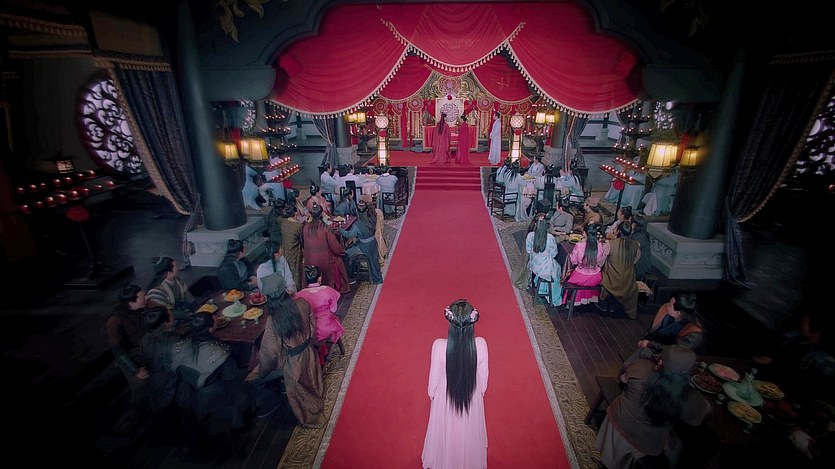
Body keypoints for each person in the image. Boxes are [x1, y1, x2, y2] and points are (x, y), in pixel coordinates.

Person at [595, 345, 711, 469]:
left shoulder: (641, 366)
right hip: (648, 444)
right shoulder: (692, 398)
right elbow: (698, 418)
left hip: (617, 424)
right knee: (677, 446)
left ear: (660, 361)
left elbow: (622, 379)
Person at [421, 299, 488, 469]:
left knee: (446, 429)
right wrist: (480, 391)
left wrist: (431, 393)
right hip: (471, 392)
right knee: (468, 430)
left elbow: (434, 376)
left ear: (450, 324)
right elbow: (483, 376)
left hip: (446, 395)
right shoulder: (481, 345)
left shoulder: (439, 346)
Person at [171, 313, 255, 440]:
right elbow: (231, 378)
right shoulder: (220, 352)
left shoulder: (179, 346)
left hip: (189, 395)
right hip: (217, 398)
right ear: (211, 329)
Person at [247, 293, 325, 428]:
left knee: (252, 379)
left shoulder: (273, 320)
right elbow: (312, 326)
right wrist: (308, 344)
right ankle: (285, 388)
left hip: (292, 363)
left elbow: (270, 354)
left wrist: (262, 372)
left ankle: (271, 403)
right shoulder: (302, 303)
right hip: (309, 352)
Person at [623, 293, 702, 367]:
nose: (667, 305)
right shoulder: (668, 315)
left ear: (677, 312)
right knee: (632, 360)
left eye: (669, 305)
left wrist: (649, 344)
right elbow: (653, 331)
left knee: (638, 358)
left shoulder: (692, 333)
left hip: (671, 357)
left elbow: (675, 351)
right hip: (657, 345)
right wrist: (645, 341)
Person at [107, 284, 149, 409]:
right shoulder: (115, 321)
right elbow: (117, 350)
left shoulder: (141, 310)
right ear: (131, 302)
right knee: (141, 385)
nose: (146, 298)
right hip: (130, 356)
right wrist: (135, 370)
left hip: (145, 349)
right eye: (142, 297)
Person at [139, 305, 178, 436]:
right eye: (171, 315)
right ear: (166, 323)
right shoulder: (174, 341)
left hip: (155, 383)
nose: (173, 317)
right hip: (172, 385)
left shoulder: (145, 339)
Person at [294, 265, 346, 364]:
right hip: (325, 327)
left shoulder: (299, 295)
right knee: (334, 319)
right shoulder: (328, 290)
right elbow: (333, 310)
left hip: (308, 330)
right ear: (320, 278)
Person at [302, 204, 350, 293]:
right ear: (321, 214)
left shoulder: (305, 227)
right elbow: (334, 247)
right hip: (324, 259)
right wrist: (341, 252)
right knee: (338, 259)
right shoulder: (324, 228)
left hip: (309, 259)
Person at [600, 221, 641, 319]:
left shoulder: (610, 244)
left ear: (618, 231)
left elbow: (601, 261)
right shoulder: (636, 244)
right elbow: (635, 260)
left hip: (611, 279)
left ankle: (605, 304)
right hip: (628, 281)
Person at [563, 222, 609, 306]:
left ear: (584, 233)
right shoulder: (600, 245)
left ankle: (572, 301)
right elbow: (601, 261)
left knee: (568, 277)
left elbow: (573, 261)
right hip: (596, 277)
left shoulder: (579, 245)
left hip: (580, 277)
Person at [339, 200, 383, 284]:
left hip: (364, 246)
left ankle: (351, 276)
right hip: (373, 243)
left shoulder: (358, 224)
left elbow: (349, 235)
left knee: (346, 253)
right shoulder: (372, 218)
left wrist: (340, 230)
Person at [525, 215, 563, 305]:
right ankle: (553, 297)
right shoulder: (550, 238)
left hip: (534, 264)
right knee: (558, 269)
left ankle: (541, 288)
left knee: (552, 268)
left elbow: (528, 250)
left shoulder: (530, 235)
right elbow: (554, 253)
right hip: (546, 267)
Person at [146, 256, 196, 322]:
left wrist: (196, 306)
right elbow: (165, 313)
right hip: (166, 320)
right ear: (168, 273)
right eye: (176, 267)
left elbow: (188, 297)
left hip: (180, 313)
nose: (178, 269)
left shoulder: (178, 280)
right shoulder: (156, 291)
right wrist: (185, 315)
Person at [279, 200, 305, 289]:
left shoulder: (284, 223)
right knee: (296, 270)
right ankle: (297, 288)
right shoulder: (298, 225)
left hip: (285, 249)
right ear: (295, 213)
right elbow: (302, 240)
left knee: (287, 270)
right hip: (295, 251)